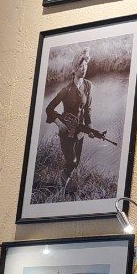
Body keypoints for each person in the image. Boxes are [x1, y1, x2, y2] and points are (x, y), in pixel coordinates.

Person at [44, 48, 93, 186]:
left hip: (80, 132)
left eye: (86, 65)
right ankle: (61, 186)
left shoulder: (88, 86)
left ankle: (63, 187)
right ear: (74, 68)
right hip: (66, 131)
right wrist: (59, 124)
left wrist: (90, 128)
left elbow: (88, 110)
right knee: (71, 161)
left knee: (75, 163)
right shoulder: (66, 89)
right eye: (80, 66)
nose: (84, 69)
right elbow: (49, 109)